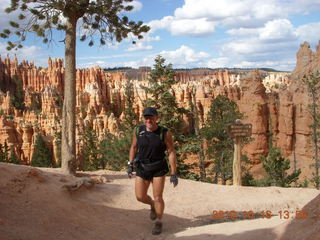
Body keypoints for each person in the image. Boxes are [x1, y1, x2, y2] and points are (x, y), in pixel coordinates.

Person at [127, 106, 178, 235]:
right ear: (143, 118)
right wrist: (130, 164)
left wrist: (173, 173)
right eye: (146, 117)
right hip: (142, 167)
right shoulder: (138, 131)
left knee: (158, 197)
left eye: (151, 117)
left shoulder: (164, 133)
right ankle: (152, 206)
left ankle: (159, 222)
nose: (148, 120)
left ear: (157, 118)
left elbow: (171, 152)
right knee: (140, 196)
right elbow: (133, 147)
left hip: (158, 168)